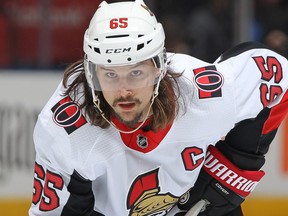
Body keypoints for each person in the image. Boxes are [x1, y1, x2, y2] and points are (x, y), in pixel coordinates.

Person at [28, 0, 288, 215]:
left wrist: (230, 170)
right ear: (91, 73)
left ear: (159, 69)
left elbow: (277, 72)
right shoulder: (65, 131)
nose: (124, 91)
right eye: (110, 75)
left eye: (136, 72)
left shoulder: (202, 93)